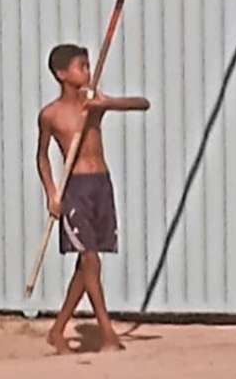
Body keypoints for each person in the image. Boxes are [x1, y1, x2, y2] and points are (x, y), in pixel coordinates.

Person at [36, 43, 150, 354]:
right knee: (90, 260)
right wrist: (51, 193)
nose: (87, 71)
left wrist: (108, 102)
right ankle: (107, 331)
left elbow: (143, 103)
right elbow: (42, 157)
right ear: (61, 74)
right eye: (80, 67)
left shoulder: (93, 105)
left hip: (101, 184)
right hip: (75, 189)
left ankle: (58, 330)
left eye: (88, 66)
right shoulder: (50, 115)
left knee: (86, 265)